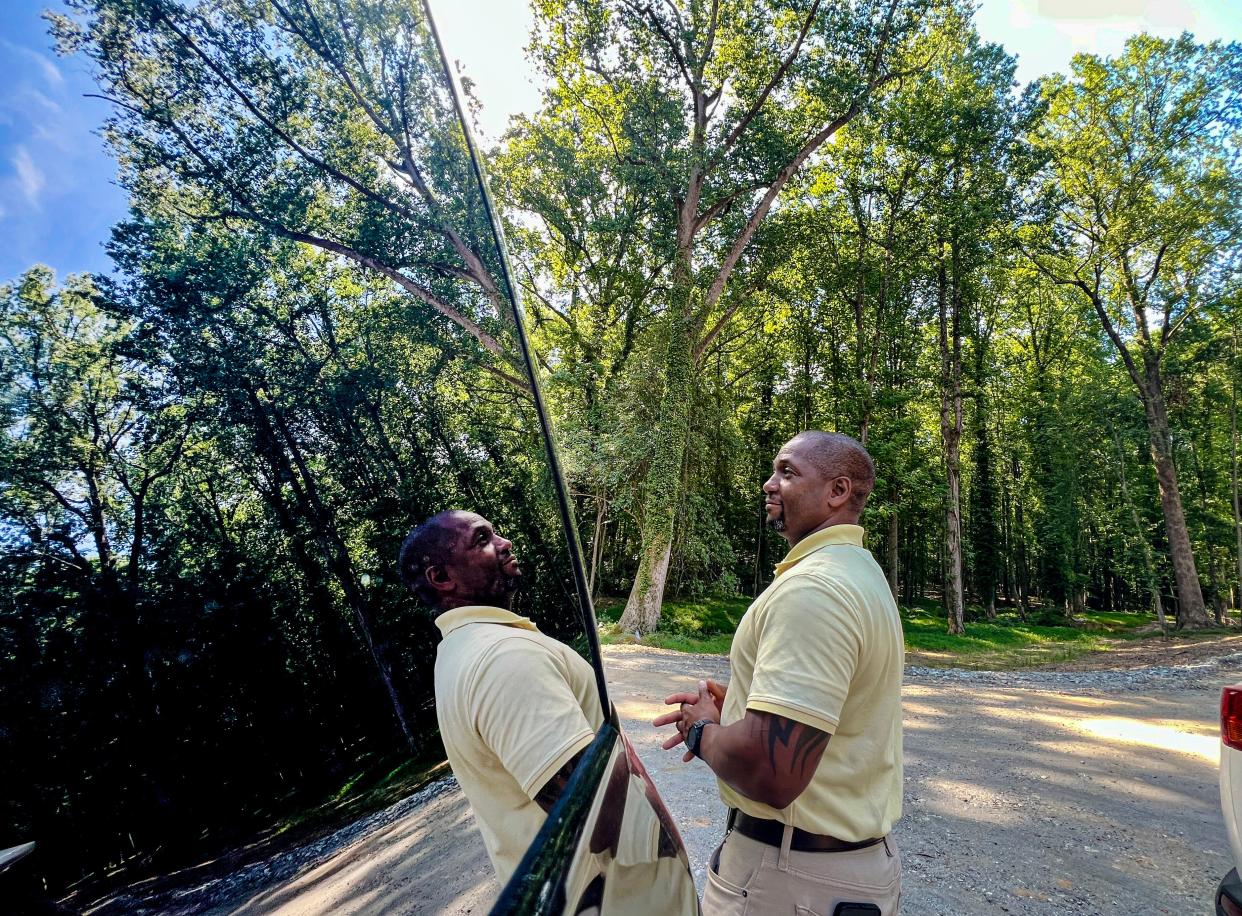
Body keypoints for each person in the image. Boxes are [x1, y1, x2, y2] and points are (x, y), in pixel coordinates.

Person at [654, 431, 904, 915]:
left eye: (787, 472)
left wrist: (700, 731)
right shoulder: (858, 572)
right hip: (838, 877)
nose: (769, 484)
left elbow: (773, 770)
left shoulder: (813, 589)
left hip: (792, 882)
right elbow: (836, 716)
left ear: (838, 491)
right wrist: (747, 709)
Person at [398, 510, 604, 887]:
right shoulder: (503, 657)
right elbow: (595, 815)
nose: (505, 543)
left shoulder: (459, 651)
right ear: (442, 578)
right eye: (482, 539)